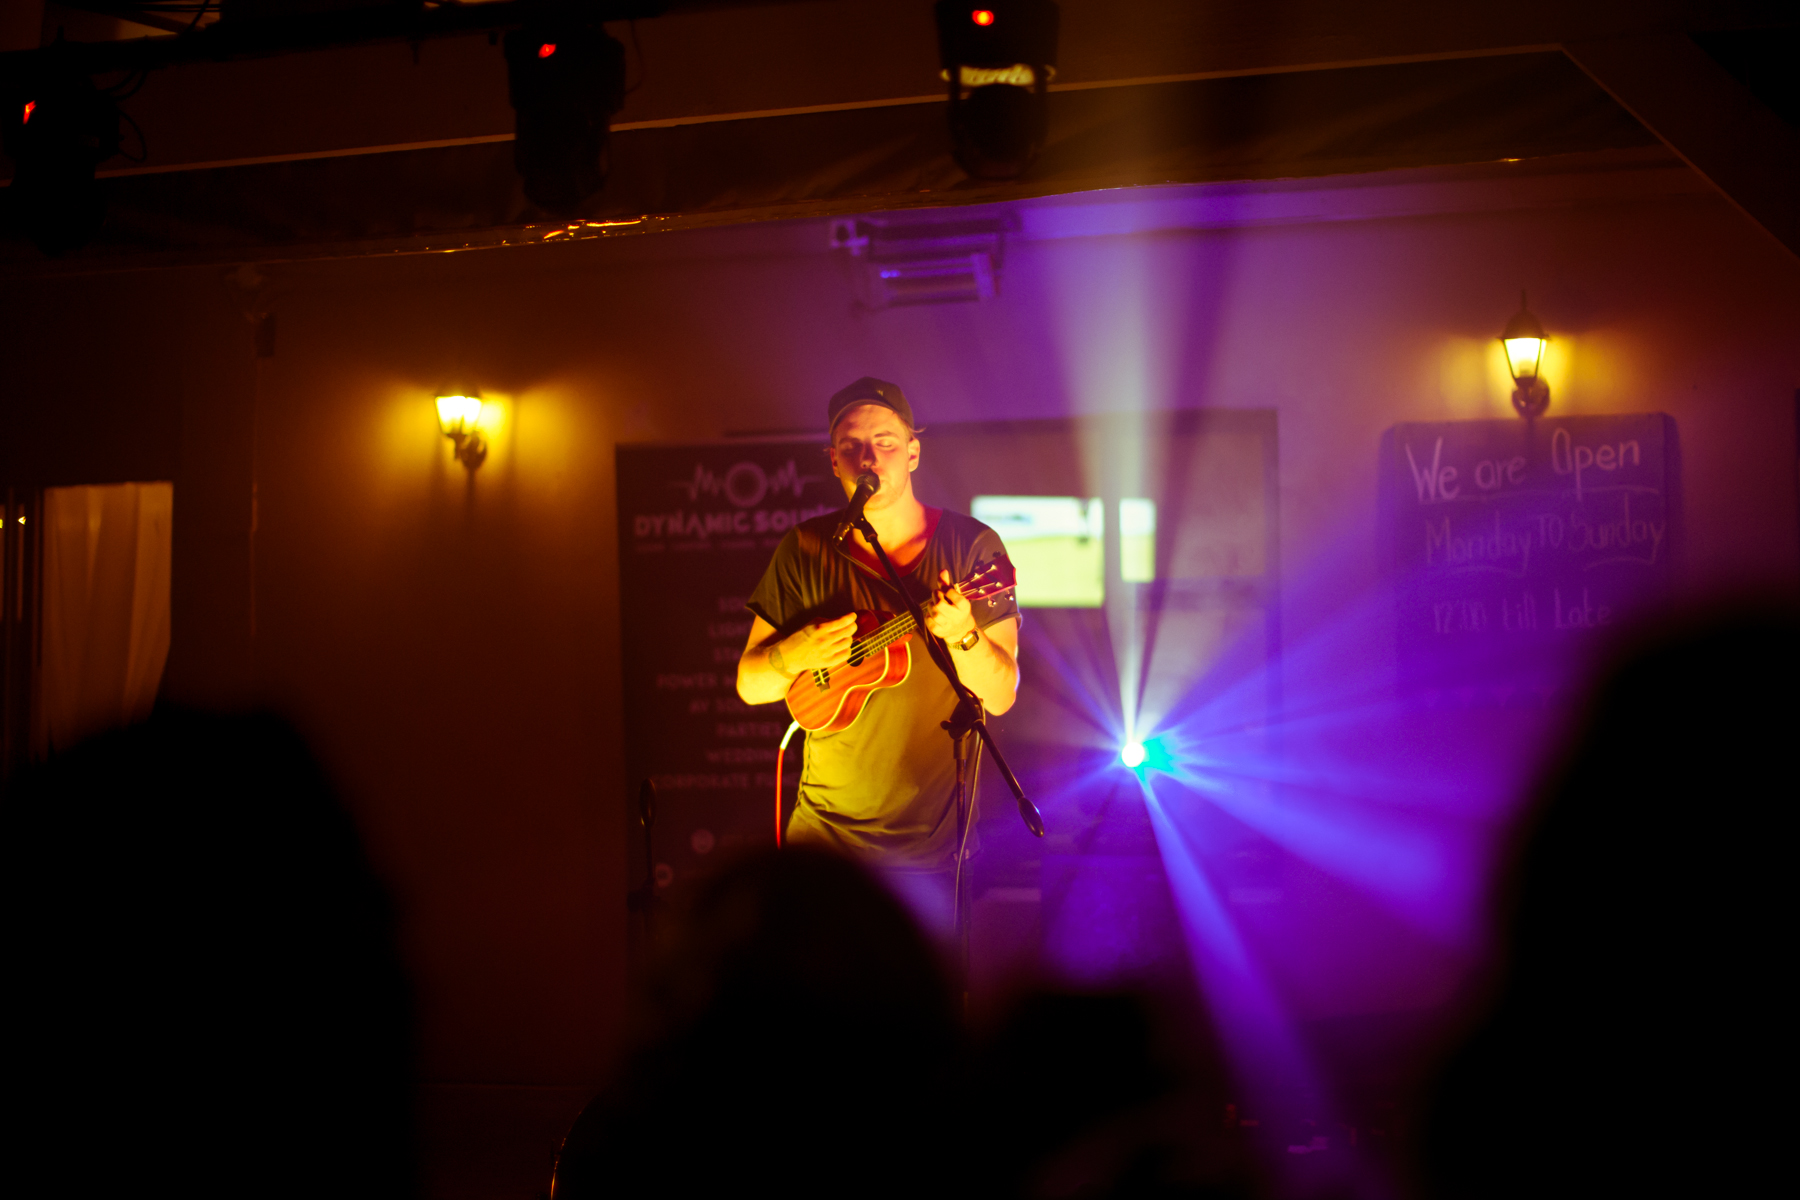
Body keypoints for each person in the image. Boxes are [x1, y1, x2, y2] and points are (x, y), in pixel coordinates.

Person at [735, 378, 1021, 921]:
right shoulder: (805, 548)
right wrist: (795, 654)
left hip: (930, 852)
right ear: (833, 460)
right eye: (852, 446)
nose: (869, 458)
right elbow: (750, 684)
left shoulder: (971, 547)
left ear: (913, 452)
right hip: (821, 844)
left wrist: (964, 633)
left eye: (885, 442)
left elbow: (1002, 694)